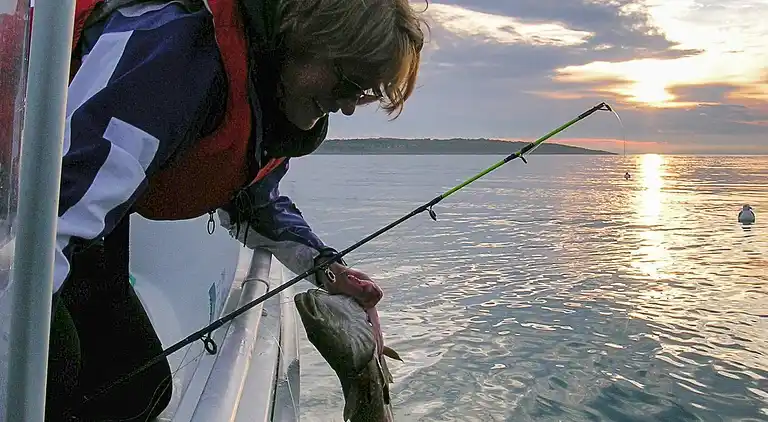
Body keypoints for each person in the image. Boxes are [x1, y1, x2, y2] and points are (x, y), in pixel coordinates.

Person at [45, 0, 426, 420]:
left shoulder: (263, 95)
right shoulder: (177, 58)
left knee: (137, 388)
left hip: (86, 236)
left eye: (363, 93)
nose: (349, 105)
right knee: (48, 366)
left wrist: (327, 269)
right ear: (310, 35)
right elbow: (49, 217)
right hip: (25, 215)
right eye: (348, 81)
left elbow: (257, 206)